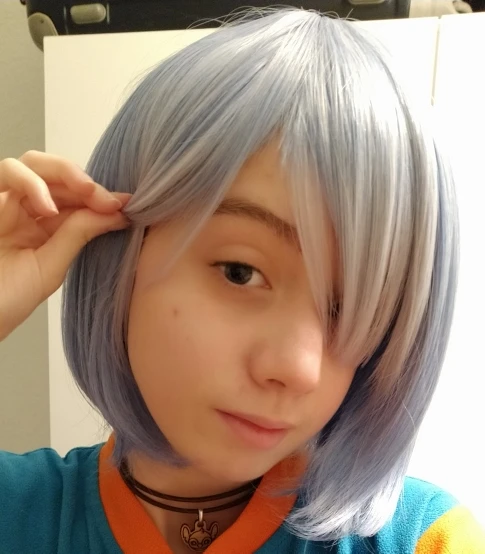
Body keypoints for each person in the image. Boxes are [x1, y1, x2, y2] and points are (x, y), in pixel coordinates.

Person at [0, 8, 484, 554]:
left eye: (354, 308)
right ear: (119, 250)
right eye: (240, 272)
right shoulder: (15, 514)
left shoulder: (424, 538)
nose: (297, 369)